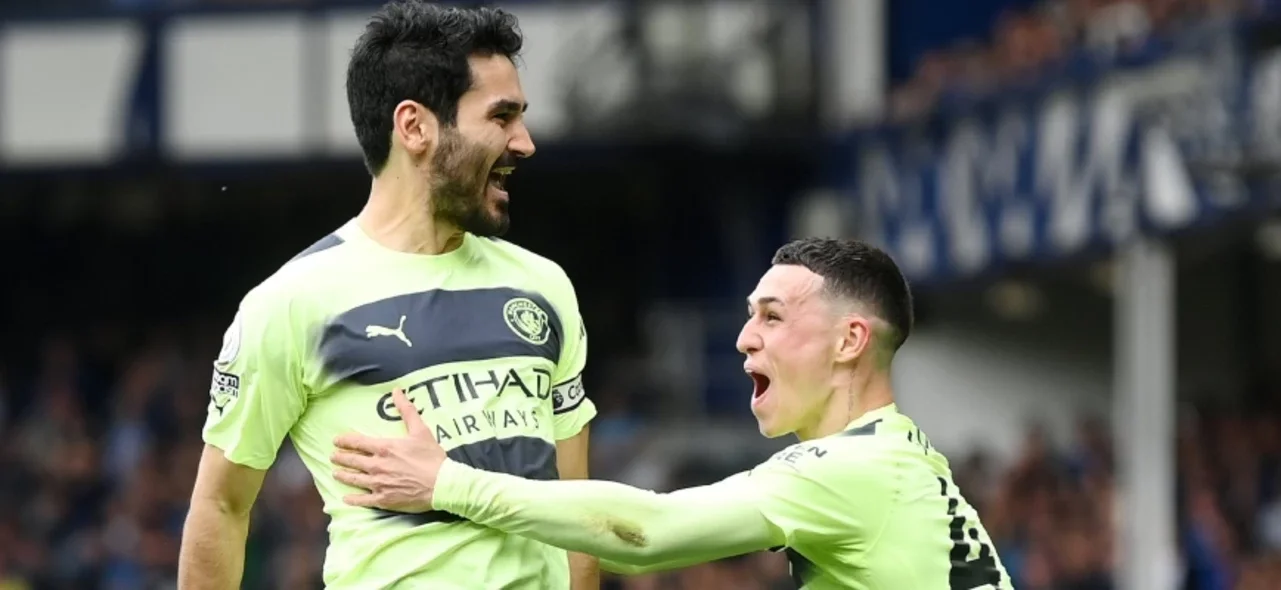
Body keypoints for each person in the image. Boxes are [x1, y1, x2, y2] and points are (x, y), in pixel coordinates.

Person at [177, 2, 599, 589]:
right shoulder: (294, 302)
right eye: (501, 117)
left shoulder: (544, 287)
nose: (524, 143)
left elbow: (576, 511)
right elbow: (222, 507)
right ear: (415, 126)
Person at [329, 237, 1014, 590]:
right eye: (747, 317)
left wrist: (447, 483)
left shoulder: (852, 469)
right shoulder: (902, 457)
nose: (745, 338)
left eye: (772, 318)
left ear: (849, 341)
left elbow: (644, 530)